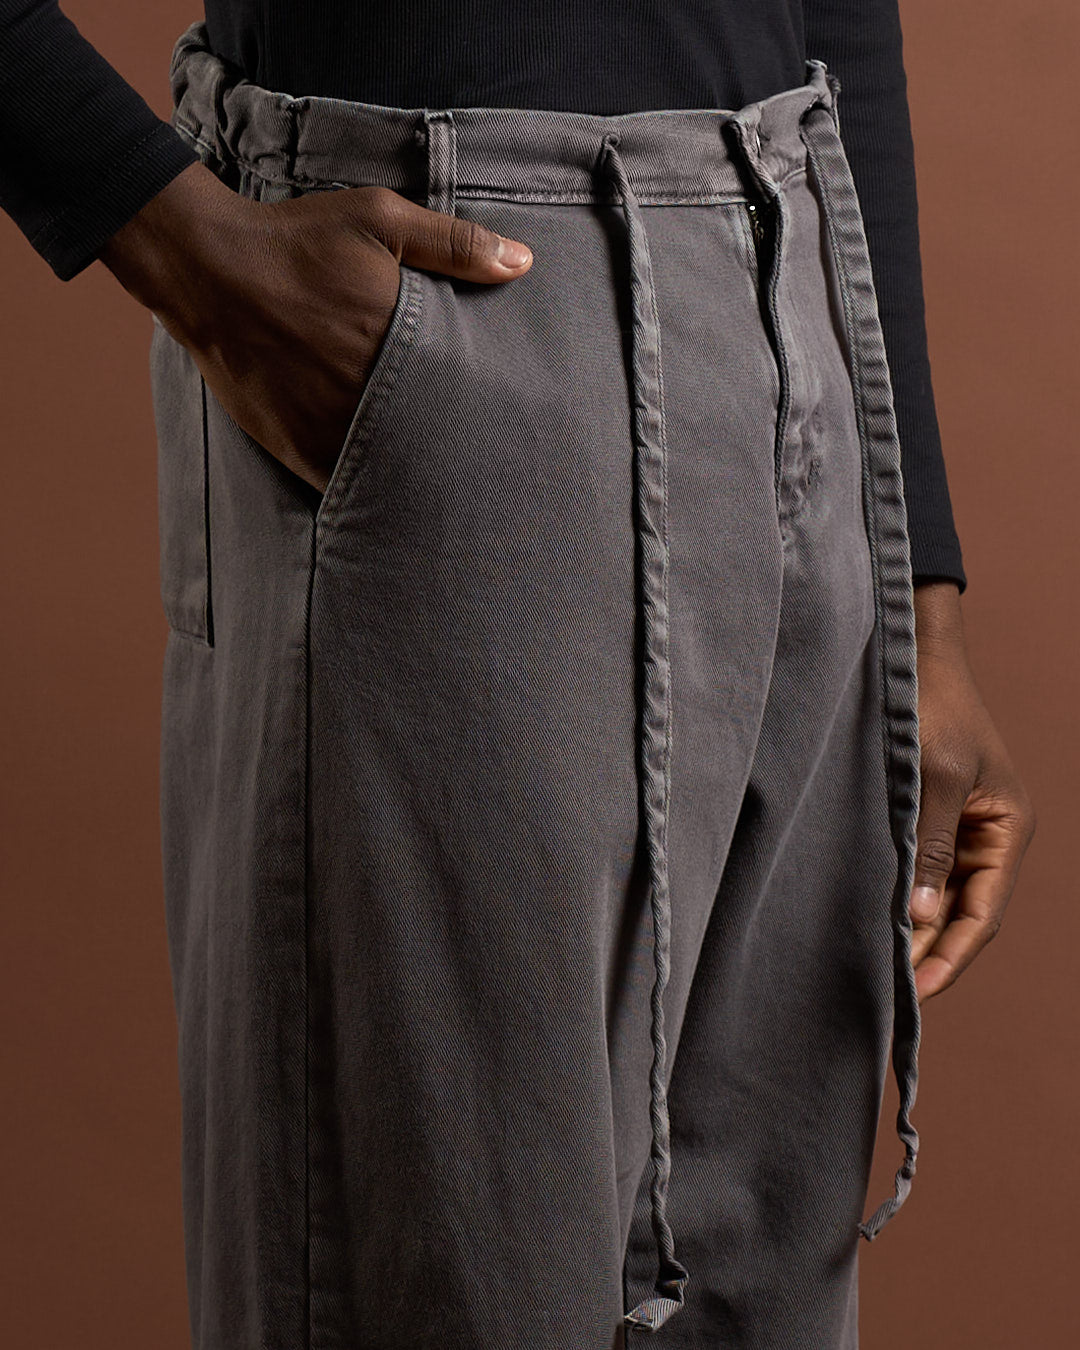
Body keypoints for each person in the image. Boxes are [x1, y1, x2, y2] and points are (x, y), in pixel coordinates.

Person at [0, 4, 1036, 1348]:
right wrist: (177, 243)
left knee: (768, 1300)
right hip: (441, 314)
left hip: (793, 298)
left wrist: (917, 588)